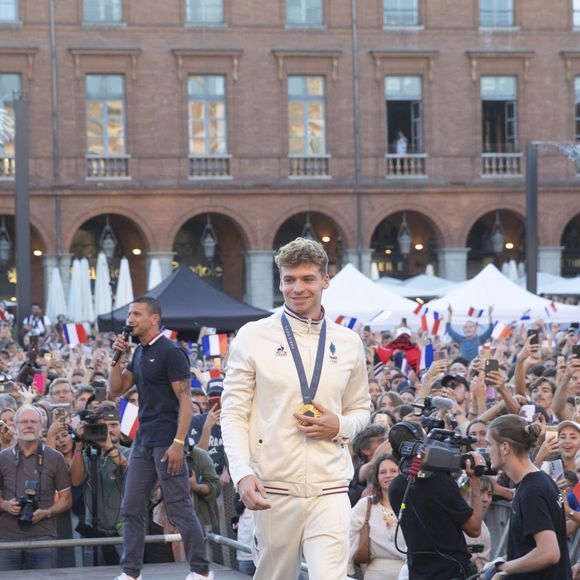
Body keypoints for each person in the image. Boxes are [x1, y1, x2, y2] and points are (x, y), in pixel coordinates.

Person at [221, 237, 371, 580]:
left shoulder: (348, 342)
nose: (297, 288)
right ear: (280, 281)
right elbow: (232, 414)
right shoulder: (252, 336)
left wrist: (341, 427)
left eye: (307, 279)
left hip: (331, 487)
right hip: (272, 489)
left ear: (325, 281)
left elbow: (361, 407)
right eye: (289, 279)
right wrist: (242, 473)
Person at [108, 296, 212, 580]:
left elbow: (185, 401)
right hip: (143, 441)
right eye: (130, 314)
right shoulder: (138, 352)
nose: (130, 319)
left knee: (179, 507)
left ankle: (201, 572)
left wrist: (179, 443)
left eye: (136, 314)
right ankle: (131, 572)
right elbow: (115, 390)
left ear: (154, 318)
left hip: (168, 441)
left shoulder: (170, 351)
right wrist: (115, 358)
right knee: (130, 507)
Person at [388, 421, 484, 579]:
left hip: (417, 574)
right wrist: (475, 481)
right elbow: (474, 529)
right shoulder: (440, 482)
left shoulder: (395, 487)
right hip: (451, 573)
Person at [483, 414, 571, 579]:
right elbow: (530, 548)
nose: (487, 451)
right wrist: (500, 563)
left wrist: (505, 567)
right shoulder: (539, 481)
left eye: (489, 444)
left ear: (504, 447)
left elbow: (549, 552)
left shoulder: (532, 490)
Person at [0, 405, 72, 571]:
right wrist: (5, 505)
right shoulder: (3, 457)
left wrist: (46, 513)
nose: (29, 425)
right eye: (24, 421)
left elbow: (66, 499)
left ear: (42, 427)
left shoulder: (55, 458)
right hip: (7, 538)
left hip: (43, 536)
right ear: (16, 427)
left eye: (34, 421)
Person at [70, 403, 130, 566]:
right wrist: (79, 444)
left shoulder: (131, 453)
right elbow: (76, 480)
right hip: (93, 532)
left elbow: (131, 473)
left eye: (114, 425)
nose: (110, 430)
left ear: (120, 427)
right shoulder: (88, 454)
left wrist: (108, 447)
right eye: (104, 426)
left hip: (123, 533)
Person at [349, 453, 405, 578]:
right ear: (377, 478)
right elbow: (348, 536)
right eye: (383, 472)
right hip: (376, 572)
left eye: (393, 471)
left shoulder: (413, 505)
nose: (388, 475)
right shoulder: (366, 505)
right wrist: (349, 571)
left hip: (410, 571)